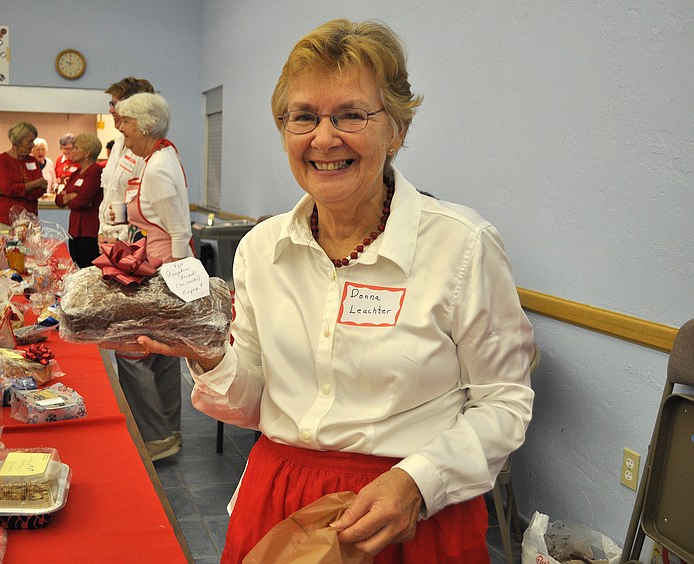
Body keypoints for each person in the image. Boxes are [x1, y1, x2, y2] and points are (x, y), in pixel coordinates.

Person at [139, 19, 535, 563]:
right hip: (277, 506)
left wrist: (419, 484)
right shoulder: (261, 249)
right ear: (284, 132)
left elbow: (504, 401)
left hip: (407, 519)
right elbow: (252, 402)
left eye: (351, 115)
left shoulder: (462, 246)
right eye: (304, 117)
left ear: (396, 129)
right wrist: (207, 354)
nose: (325, 138)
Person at [113, 92, 193, 461]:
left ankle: (156, 434)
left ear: (145, 125)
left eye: (126, 121)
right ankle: (166, 433)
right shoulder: (157, 158)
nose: (121, 128)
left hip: (163, 273)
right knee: (161, 355)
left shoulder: (158, 167)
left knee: (131, 351)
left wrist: (175, 289)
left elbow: (179, 232)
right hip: (155, 271)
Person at [97, 77, 155, 250]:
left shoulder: (146, 149)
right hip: (108, 238)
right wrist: (101, 231)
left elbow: (147, 208)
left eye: (116, 105)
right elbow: (108, 196)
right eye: (111, 103)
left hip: (130, 243)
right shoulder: (118, 143)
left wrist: (121, 240)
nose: (110, 109)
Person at [0, 121, 48, 231]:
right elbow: (8, 188)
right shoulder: (1, 160)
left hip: (28, 220)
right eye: (30, 141)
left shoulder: (33, 161)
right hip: (4, 219)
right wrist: (36, 183)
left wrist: (9, 193)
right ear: (18, 141)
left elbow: (41, 190)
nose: (33, 145)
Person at [55, 133, 103, 268]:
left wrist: (70, 197)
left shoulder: (95, 171)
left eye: (76, 148)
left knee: (87, 270)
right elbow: (59, 199)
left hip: (89, 231)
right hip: (75, 230)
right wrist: (70, 196)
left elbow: (82, 200)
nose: (72, 151)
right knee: (76, 268)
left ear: (87, 153)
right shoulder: (77, 173)